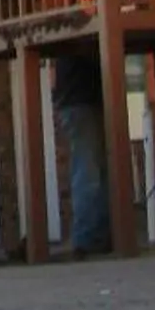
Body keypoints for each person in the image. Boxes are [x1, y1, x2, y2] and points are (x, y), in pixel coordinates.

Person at [51, 53, 113, 257]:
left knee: (95, 168)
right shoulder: (83, 36)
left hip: (76, 101)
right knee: (88, 169)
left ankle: (98, 234)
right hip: (80, 101)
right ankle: (86, 237)